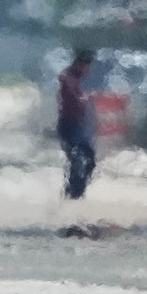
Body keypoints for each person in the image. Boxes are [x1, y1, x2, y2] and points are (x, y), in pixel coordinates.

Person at [57, 48, 97, 198]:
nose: (89, 70)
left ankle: (76, 192)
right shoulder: (67, 76)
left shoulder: (76, 77)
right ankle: (72, 194)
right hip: (68, 126)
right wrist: (85, 98)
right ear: (80, 64)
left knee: (90, 159)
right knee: (79, 159)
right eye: (87, 66)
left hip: (78, 126)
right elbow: (71, 96)